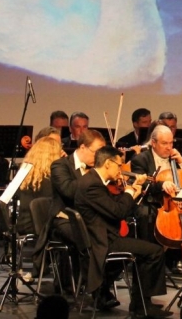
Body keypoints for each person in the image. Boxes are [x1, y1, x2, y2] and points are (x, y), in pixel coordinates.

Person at [73, 145, 169, 319]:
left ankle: (138, 302)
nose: (121, 170)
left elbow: (115, 205)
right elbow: (117, 212)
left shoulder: (94, 180)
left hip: (104, 236)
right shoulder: (92, 185)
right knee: (155, 251)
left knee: (142, 245)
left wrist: (133, 191)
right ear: (108, 163)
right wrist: (130, 191)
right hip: (102, 241)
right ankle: (142, 305)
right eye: (119, 165)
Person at [44, 129, 106, 301]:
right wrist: (94, 177)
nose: (99, 158)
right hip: (65, 219)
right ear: (83, 147)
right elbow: (69, 191)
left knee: (111, 239)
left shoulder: (96, 169)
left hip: (91, 219)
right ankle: (98, 290)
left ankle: (101, 283)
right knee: (89, 239)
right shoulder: (60, 165)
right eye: (96, 152)